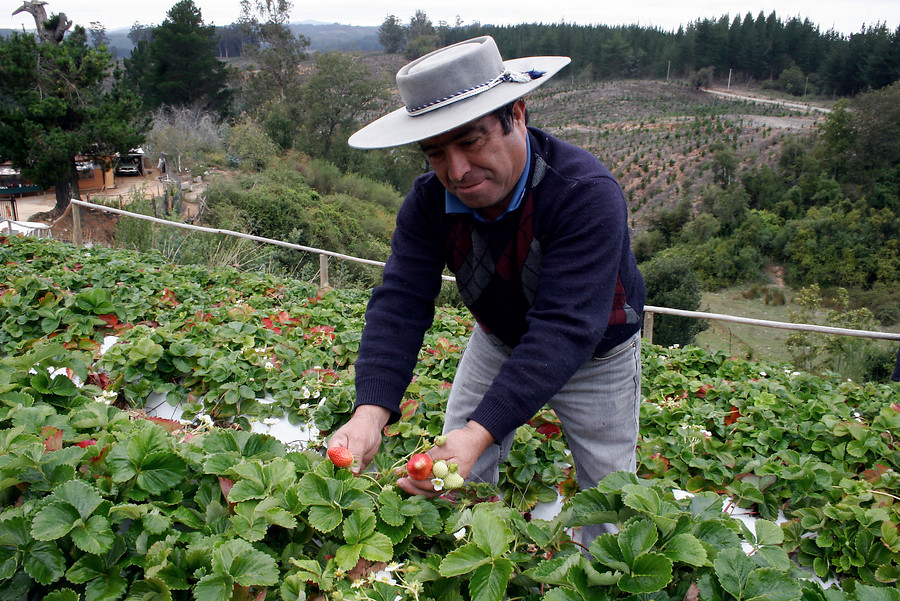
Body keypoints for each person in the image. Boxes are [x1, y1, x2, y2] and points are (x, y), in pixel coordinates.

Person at [328, 36, 645, 539]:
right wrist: (371, 411)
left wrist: (482, 430)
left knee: (609, 498)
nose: (457, 171)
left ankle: (603, 580)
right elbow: (401, 302)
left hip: (597, 355)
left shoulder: (583, 194)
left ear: (516, 114)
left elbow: (565, 329)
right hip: (500, 339)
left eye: (471, 141)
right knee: (459, 468)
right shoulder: (429, 204)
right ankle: (474, 556)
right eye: (436, 152)